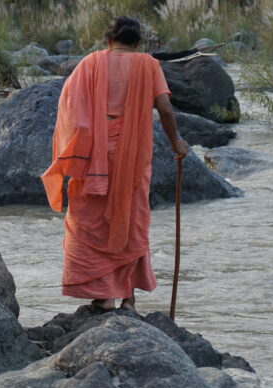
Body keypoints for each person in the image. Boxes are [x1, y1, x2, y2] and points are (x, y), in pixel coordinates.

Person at [42, 17, 189, 312]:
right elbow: (165, 110)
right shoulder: (149, 65)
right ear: (137, 43)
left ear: (108, 40)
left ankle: (104, 294)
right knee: (130, 218)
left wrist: (73, 151)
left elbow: (70, 109)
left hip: (93, 154)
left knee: (89, 221)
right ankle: (128, 299)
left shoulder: (90, 63)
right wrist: (177, 143)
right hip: (133, 155)